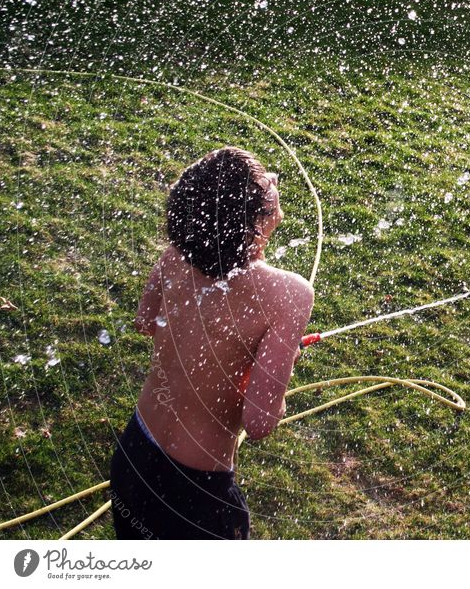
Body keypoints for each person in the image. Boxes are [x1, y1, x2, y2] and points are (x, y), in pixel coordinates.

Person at [109, 146, 315, 539]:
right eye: (263, 181)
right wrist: (270, 367)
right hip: (196, 495)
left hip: (134, 454)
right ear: (254, 218)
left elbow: (144, 321)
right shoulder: (288, 294)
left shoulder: (176, 254)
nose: (272, 177)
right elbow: (259, 423)